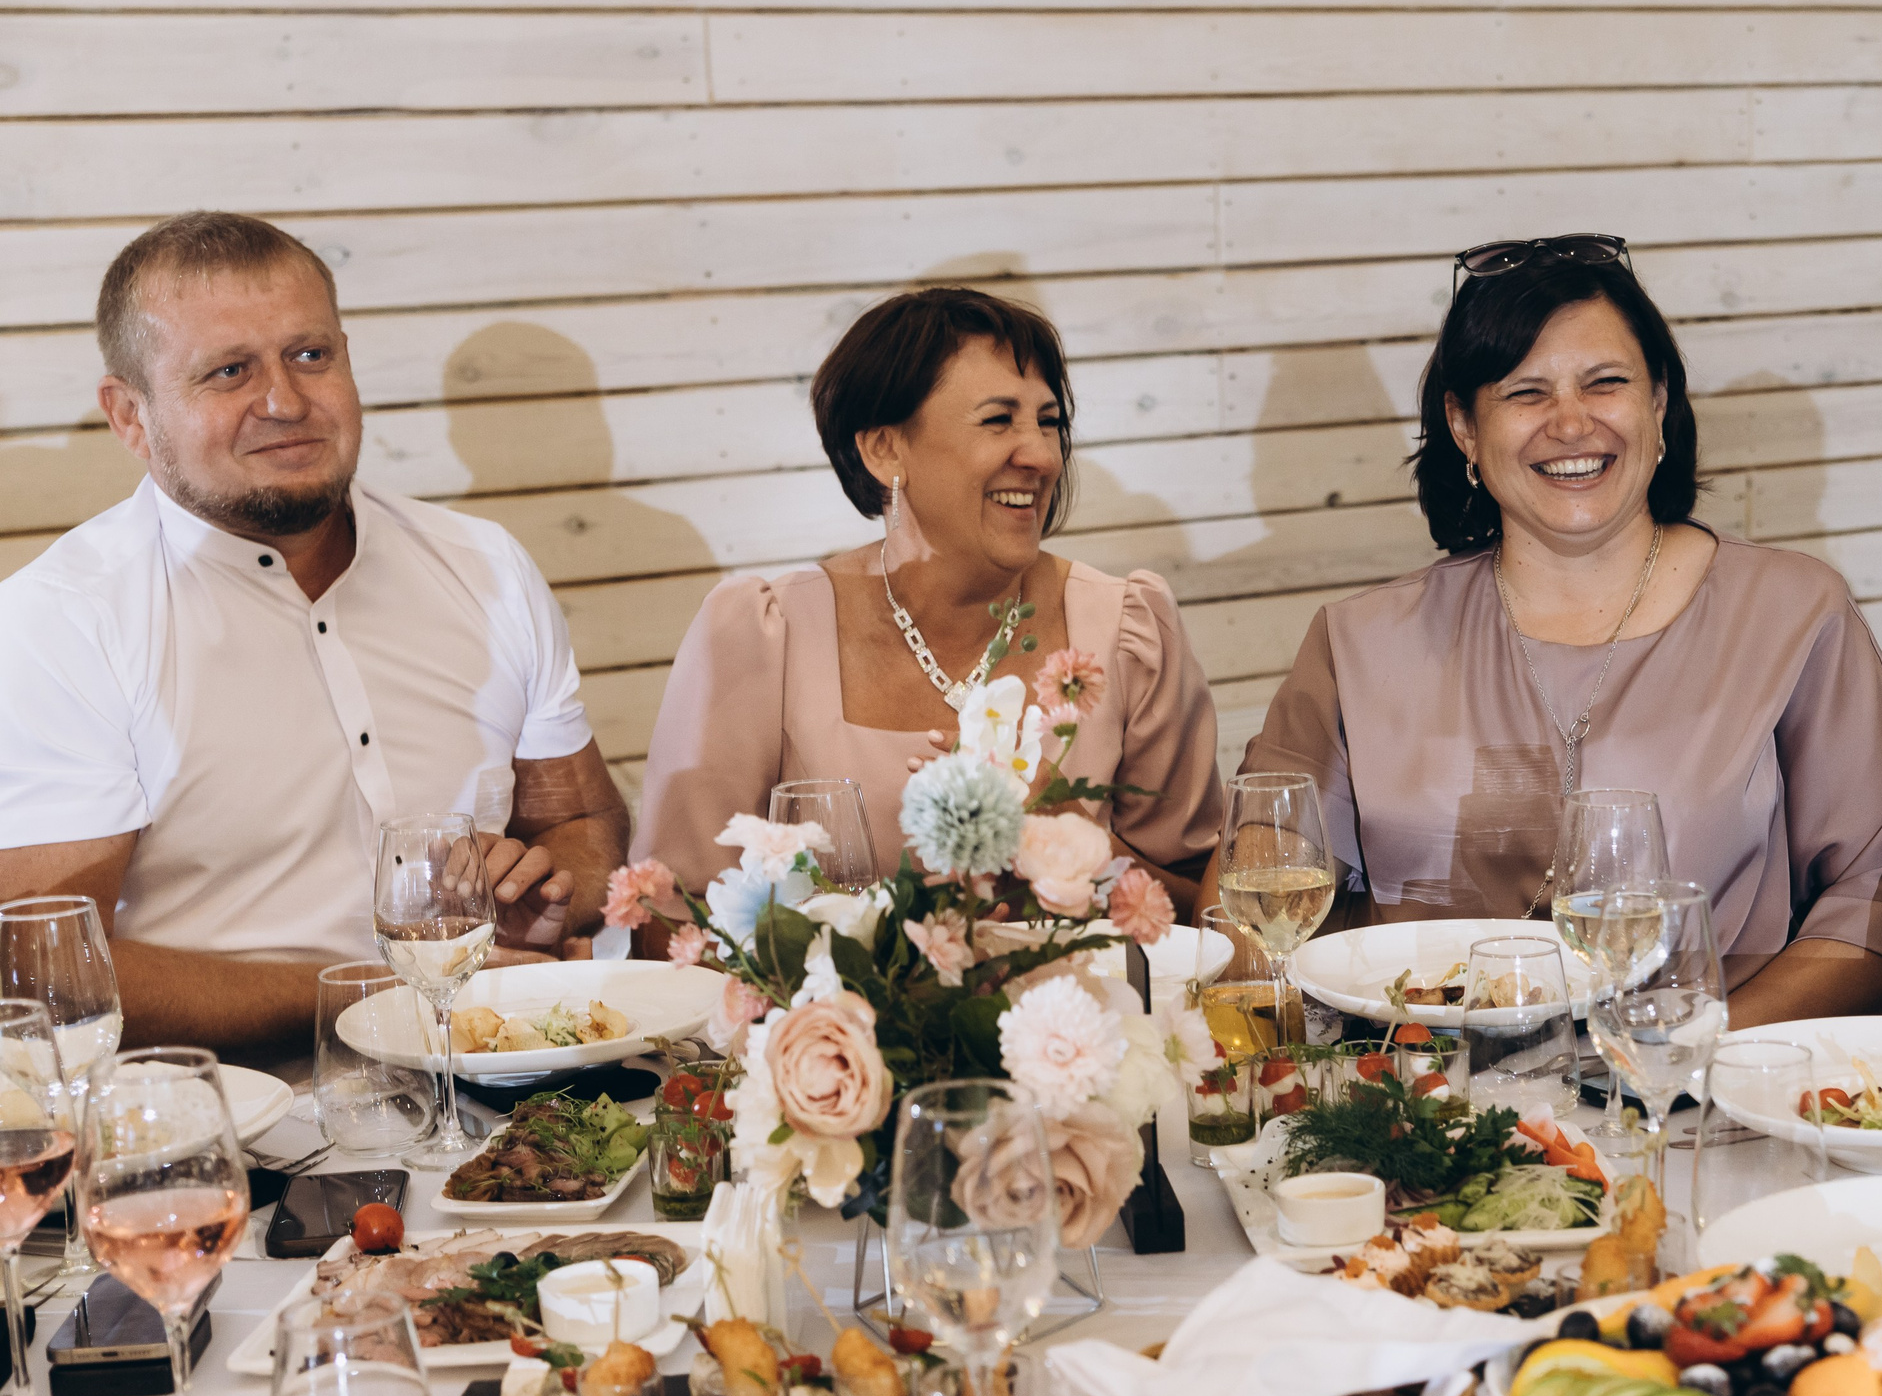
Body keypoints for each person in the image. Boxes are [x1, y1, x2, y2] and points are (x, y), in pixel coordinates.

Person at [1234, 234, 1882, 1026]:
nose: (1571, 423)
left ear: (1659, 402)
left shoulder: (1793, 614)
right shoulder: (1357, 641)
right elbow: (1257, 886)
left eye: (1606, 383)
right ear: (1464, 427)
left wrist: (1686, 1054)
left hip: (1697, 1106)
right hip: (1418, 1106)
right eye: (1526, 392)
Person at [0, 212, 629, 1062]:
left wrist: (552, 886)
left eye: (310, 355)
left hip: (504, 1088)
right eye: (229, 371)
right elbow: (47, 966)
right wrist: (379, 996)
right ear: (130, 415)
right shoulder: (61, 622)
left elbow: (581, 815)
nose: (285, 402)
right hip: (228, 1140)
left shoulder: (485, 565)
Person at [633, 287, 1225, 912]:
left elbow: (1207, 911)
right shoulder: (762, 634)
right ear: (884, 447)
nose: (1042, 456)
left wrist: (1065, 833)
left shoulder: (1127, 629)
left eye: (1049, 422)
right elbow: (672, 915)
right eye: (999, 420)